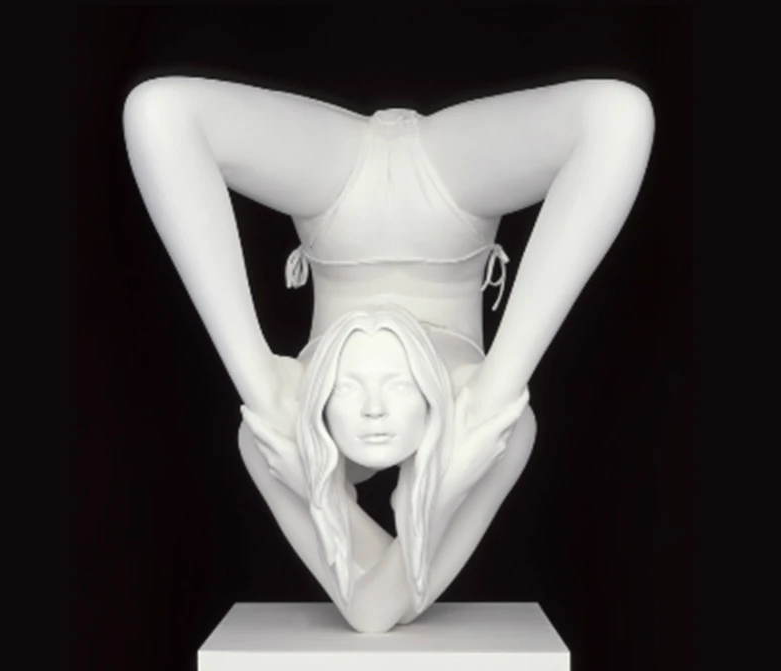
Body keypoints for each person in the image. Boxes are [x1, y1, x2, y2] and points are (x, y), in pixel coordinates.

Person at [122, 77, 654, 632]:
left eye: (377, 389)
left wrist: (274, 410)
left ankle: (254, 378)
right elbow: (377, 611)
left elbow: (370, 608)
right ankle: (497, 386)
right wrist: (447, 485)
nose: (374, 411)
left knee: (156, 110)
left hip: (336, 200)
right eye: (365, 390)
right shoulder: (492, 432)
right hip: (454, 201)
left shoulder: (280, 437)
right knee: (620, 113)